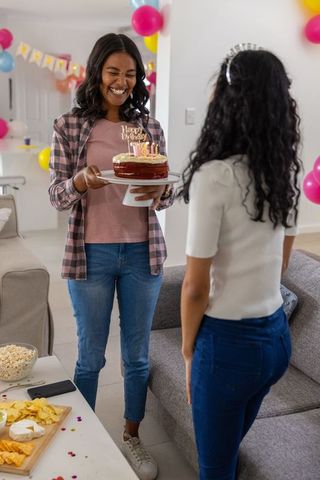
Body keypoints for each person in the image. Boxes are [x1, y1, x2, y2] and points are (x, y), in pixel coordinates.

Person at [49, 33, 173, 480]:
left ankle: (132, 437)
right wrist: (80, 181)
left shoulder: (148, 128)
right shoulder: (69, 125)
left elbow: (162, 195)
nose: (122, 82)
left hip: (142, 255)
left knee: (137, 357)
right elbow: (57, 197)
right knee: (90, 358)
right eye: (113, 72)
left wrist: (162, 191)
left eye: (130, 74)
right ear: (97, 73)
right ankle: (83, 438)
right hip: (91, 258)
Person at [177, 46, 301, 480]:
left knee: (216, 468)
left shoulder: (214, 176)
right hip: (276, 342)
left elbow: (194, 287)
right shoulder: (283, 174)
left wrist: (189, 350)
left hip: (228, 347)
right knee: (228, 453)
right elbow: (281, 266)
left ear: (227, 103)